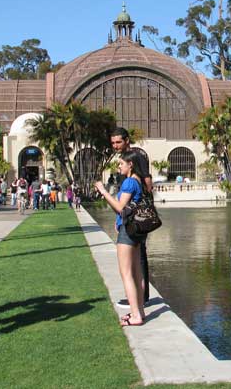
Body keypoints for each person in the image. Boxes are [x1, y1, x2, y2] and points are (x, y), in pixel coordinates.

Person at [95, 151, 146, 326]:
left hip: (128, 231)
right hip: (138, 231)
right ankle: (140, 311)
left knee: (126, 273)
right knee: (137, 272)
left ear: (130, 164)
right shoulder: (139, 181)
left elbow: (119, 207)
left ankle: (135, 315)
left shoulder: (130, 182)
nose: (119, 167)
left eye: (121, 164)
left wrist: (103, 191)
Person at [110, 127, 152, 307]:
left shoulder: (136, 158)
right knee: (136, 256)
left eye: (118, 142)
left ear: (127, 140)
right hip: (127, 216)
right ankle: (139, 296)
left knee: (139, 256)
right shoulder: (123, 159)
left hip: (136, 217)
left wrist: (142, 207)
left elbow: (148, 182)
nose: (115, 146)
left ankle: (141, 297)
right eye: (112, 143)